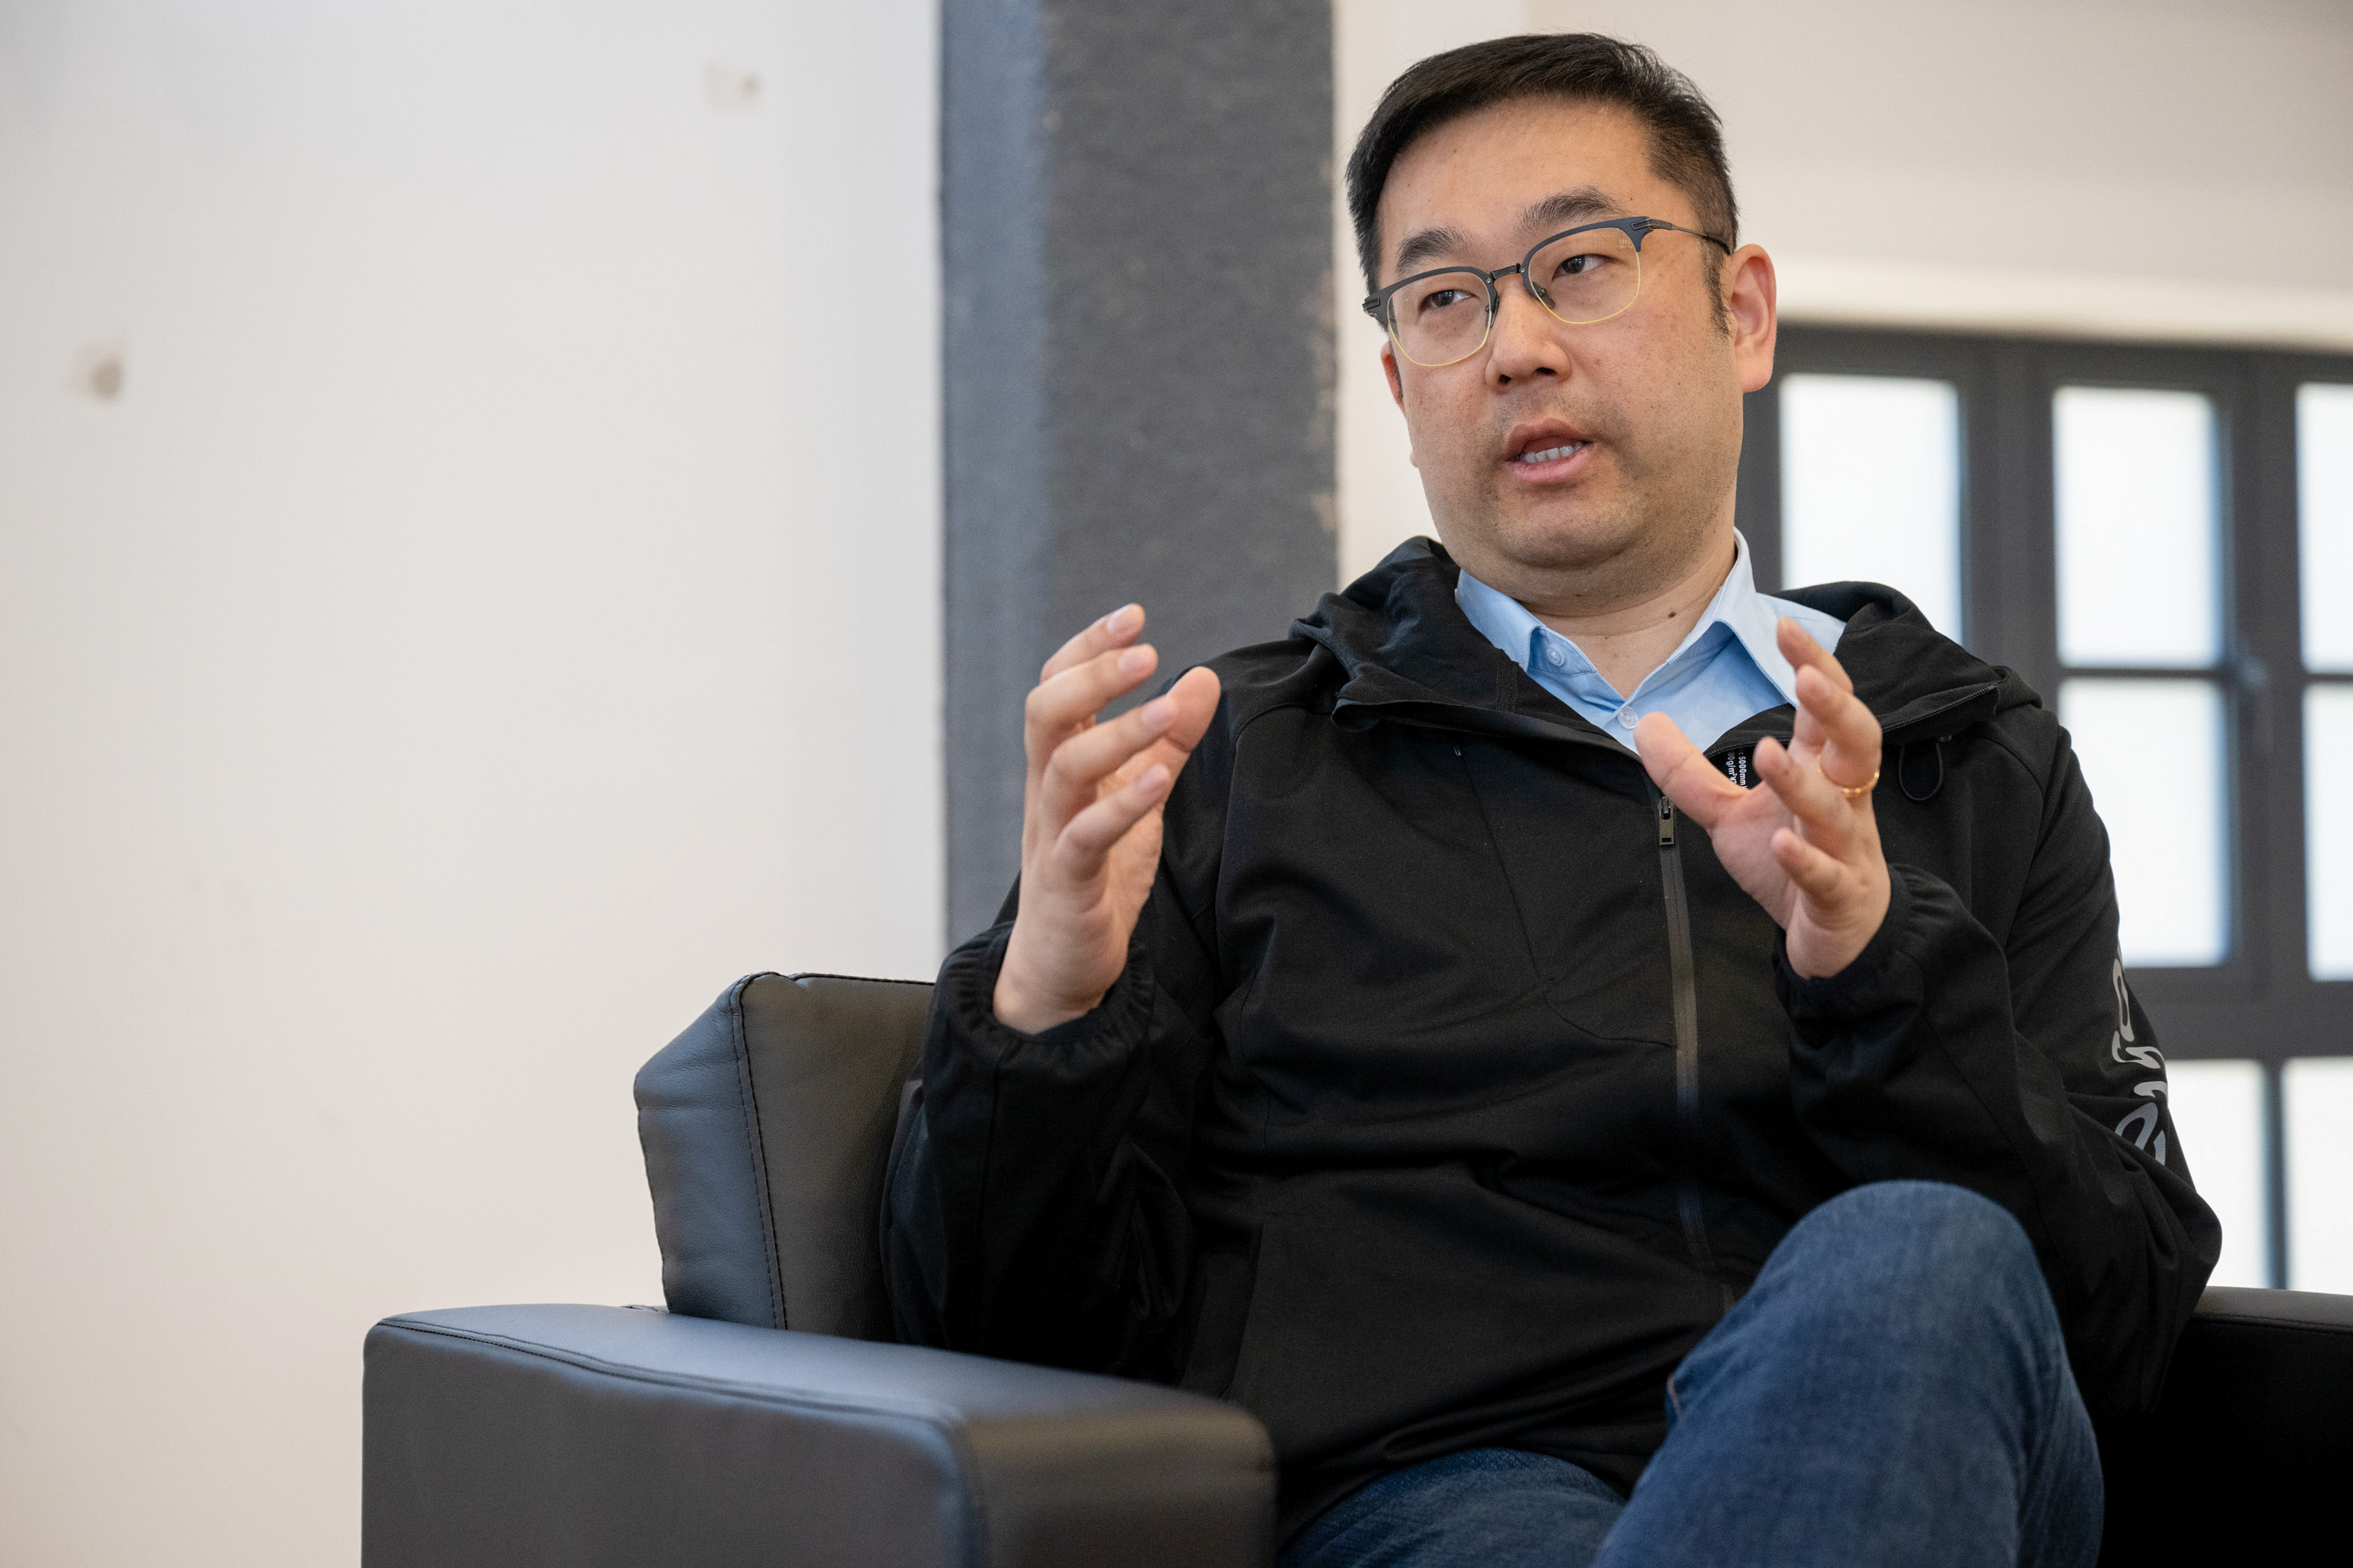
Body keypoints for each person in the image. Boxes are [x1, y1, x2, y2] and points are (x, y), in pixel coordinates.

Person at [884, 32, 2218, 1568]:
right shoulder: (1237, 760)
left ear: (1741, 312)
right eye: (1447, 300)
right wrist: (1050, 1013)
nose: (1514, 346)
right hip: (1437, 1495)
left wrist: (1882, 970)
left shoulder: (1962, 757)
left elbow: (2122, 1325)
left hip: (1904, 1451)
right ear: (1403, 385)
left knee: (1919, 1260)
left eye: (1579, 264)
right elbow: (999, 1362)